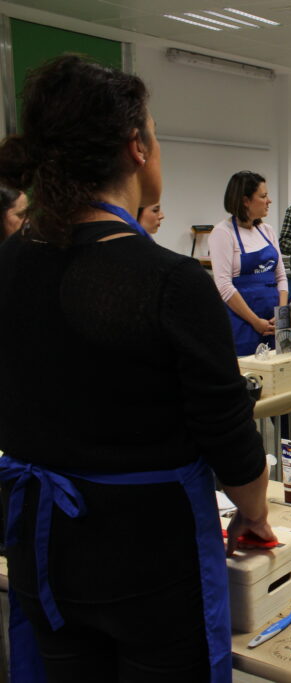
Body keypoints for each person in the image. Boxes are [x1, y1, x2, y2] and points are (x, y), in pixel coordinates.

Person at [0, 55, 273, 682]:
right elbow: (227, 435)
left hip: (42, 546)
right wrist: (254, 513)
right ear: (137, 147)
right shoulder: (169, 281)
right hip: (150, 556)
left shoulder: (10, 261)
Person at [209, 171, 288, 357]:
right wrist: (255, 321)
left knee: (280, 368)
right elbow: (223, 285)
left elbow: (281, 276)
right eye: (263, 196)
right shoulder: (223, 232)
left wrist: (282, 314)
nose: (269, 201)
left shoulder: (267, 230)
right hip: (244, 323)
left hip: (275, 322)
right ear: (245, 200)